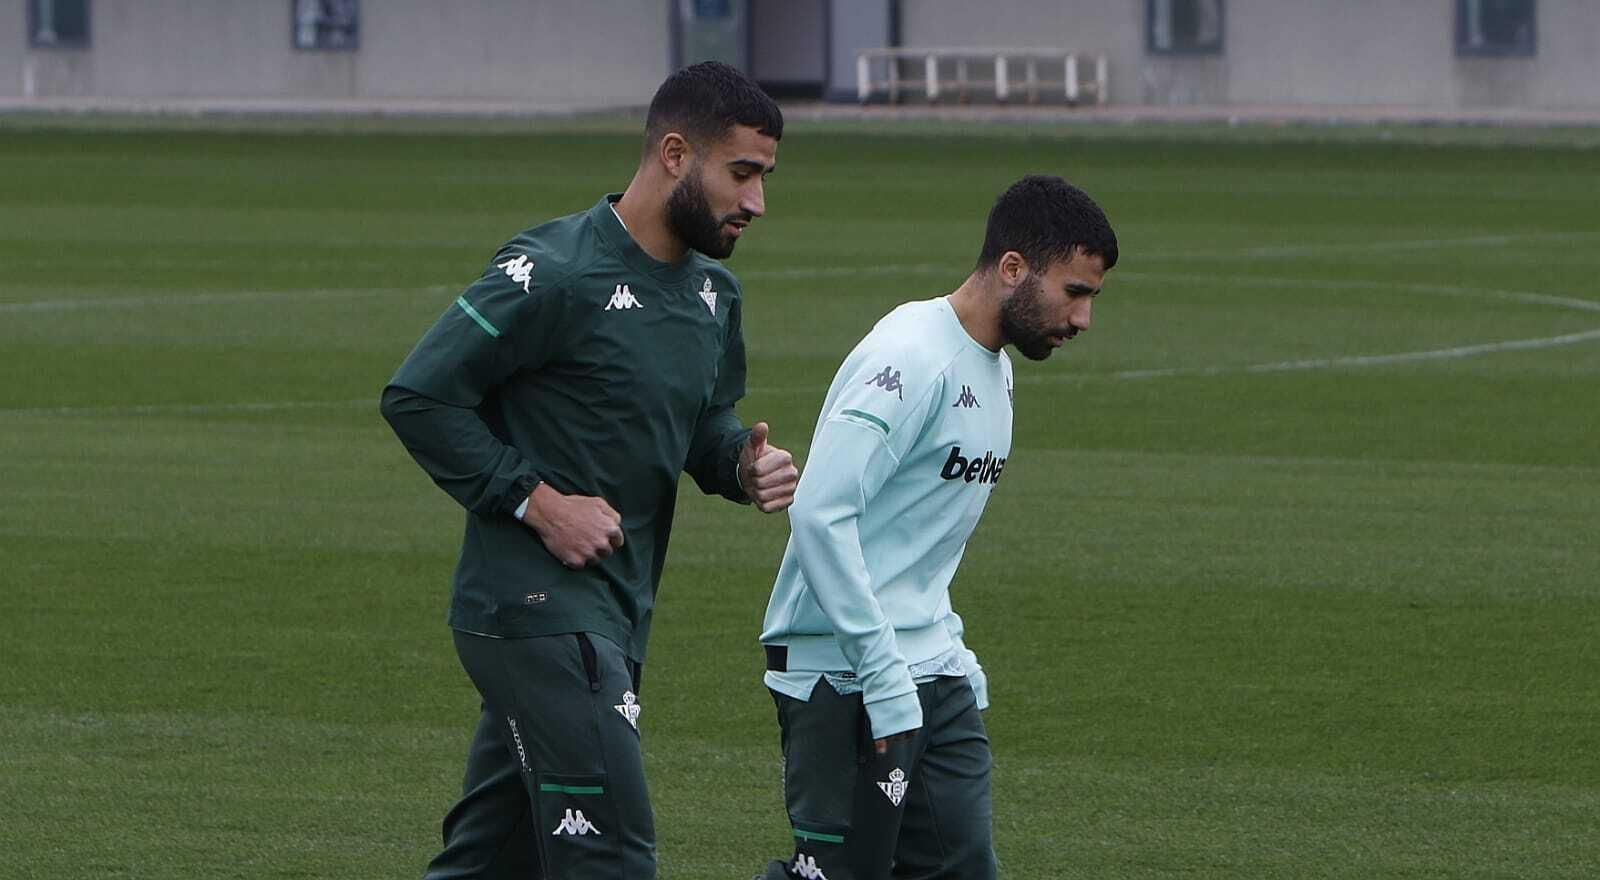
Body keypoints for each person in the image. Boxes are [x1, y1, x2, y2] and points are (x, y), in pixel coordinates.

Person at [380, 61, 799, 880]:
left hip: (615, 612)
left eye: (765, 178)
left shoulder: (715, 295)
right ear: (675, 154)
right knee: (611, 853)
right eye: (742, 174)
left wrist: (739, 464)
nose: (756, 202)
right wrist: (539, 504)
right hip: (533, 612)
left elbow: (700, 424)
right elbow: (419, 397)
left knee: (489, 862)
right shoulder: (558, 270)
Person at [756, 175, 1118, 880]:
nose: (1082, 319)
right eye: (1074, 292)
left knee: (962, 868)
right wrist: (882, 668)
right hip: (842, 671)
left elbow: (918, 537)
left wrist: (944, 646)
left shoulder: (995, 368)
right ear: (1013, 268)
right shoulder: (909, 358)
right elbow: (821, 512)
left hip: (932, 670)